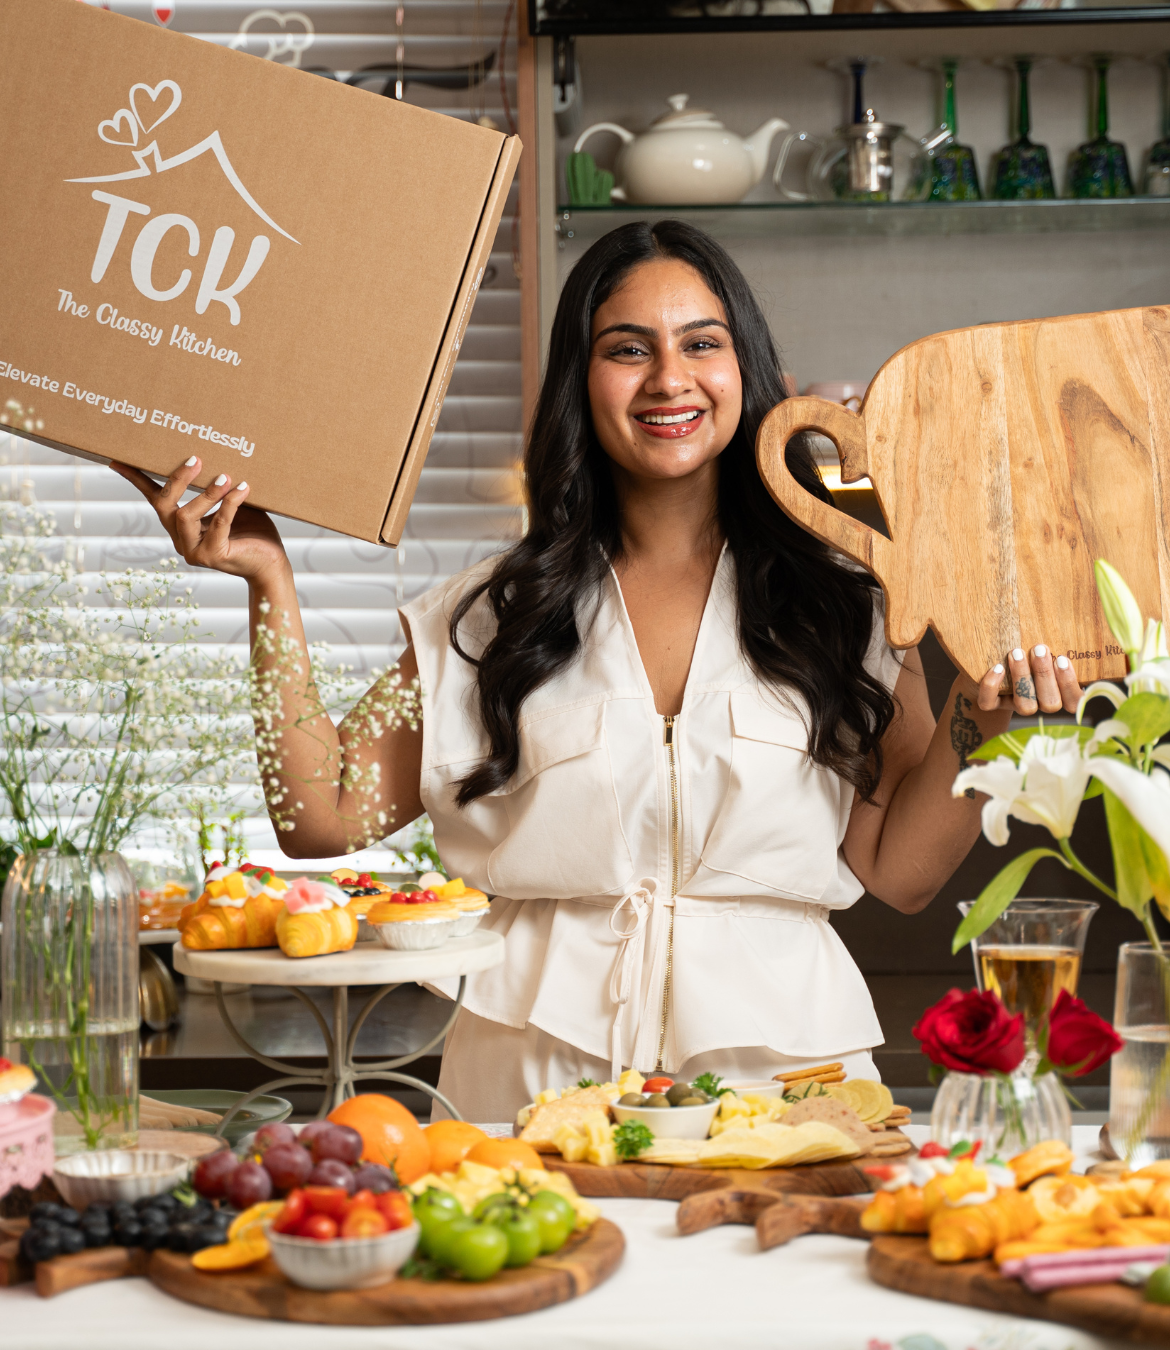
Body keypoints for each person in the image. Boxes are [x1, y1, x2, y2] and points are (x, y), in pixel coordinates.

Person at [116, 220, 1081, 1123]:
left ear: (747, 368)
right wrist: (266, 579)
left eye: (703, 344)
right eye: (628, 348)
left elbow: (898, 873)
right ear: (581, 379)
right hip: (530, 1081)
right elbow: (318, 814)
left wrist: (987, 728)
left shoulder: (849, 606)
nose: (671, 379)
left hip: (791, 1083)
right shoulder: (484, 617)